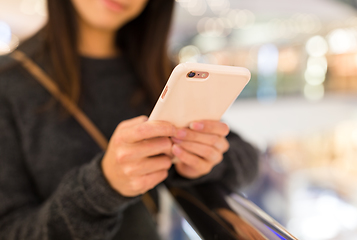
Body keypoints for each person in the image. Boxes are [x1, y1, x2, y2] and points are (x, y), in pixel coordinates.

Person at [0, 0, 259, 239]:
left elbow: (248, 157)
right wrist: (102, 187)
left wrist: (201, 162)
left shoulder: (154, 69)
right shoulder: (8, 83)